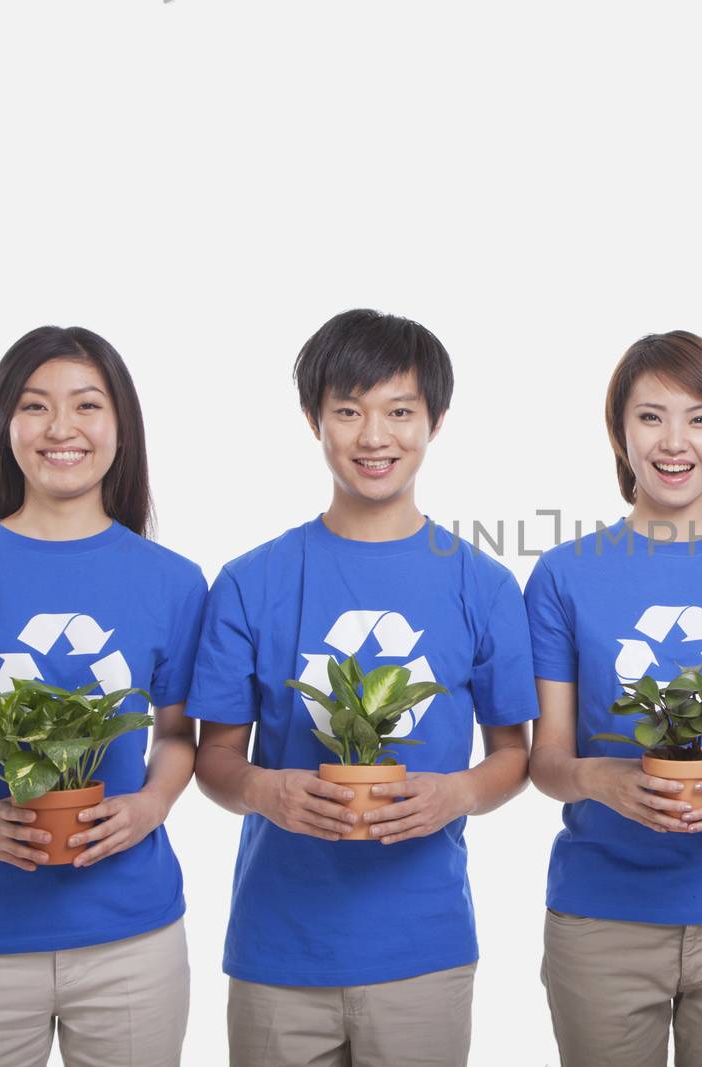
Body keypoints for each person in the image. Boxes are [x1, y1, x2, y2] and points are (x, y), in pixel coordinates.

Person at [188, 309, 538, 1067]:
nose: (374, 436)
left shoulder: (484, 583)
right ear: (315, 418)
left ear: (435, 421)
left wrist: (459, 794)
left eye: (399, 411)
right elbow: (214, 756)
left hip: (425, 947)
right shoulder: (251, 582)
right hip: (279, 948)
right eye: (348, 410)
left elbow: (514, 752)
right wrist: (266, 792)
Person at [0, 326, 205, 1067]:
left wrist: (149, 806)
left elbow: (180, 734)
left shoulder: (174, 580)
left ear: (121, 426)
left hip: (133, 935)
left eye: (86, 405)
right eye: (34, 406)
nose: (61, 428)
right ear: (3, 425)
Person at [524, 330, 702, 1067]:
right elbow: (549, 758)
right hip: (601, 915)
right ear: (620, 434)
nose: (674, 440)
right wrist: (603, 778)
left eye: (700, 417)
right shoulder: (563, 576)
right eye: (651, 416)